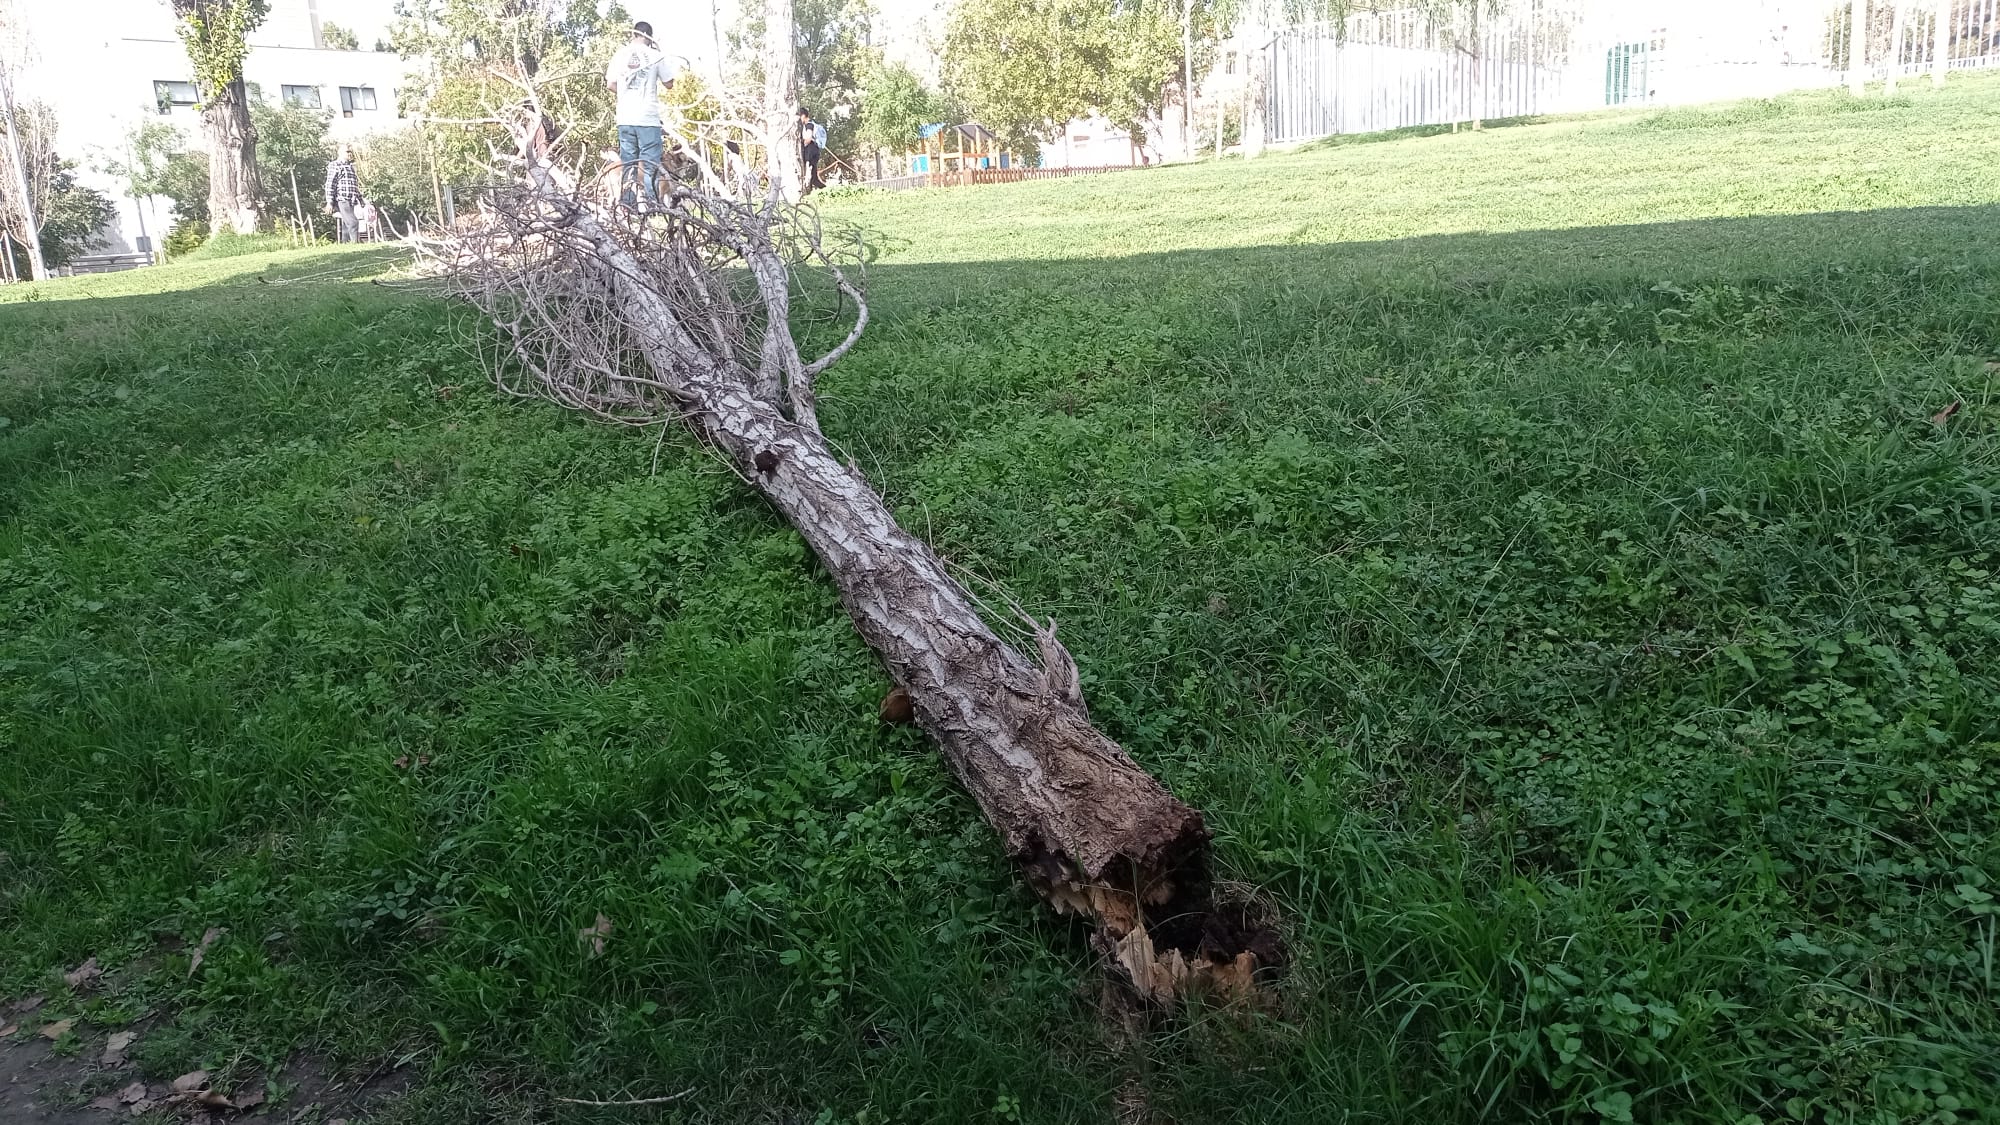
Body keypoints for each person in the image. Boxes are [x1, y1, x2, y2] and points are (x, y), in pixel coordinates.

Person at [604, 21, 673, 211]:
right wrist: (660, 51)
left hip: (625, 118)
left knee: (629, 163)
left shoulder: (620, 54)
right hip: (648, 118)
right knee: (650, 164)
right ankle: (651, 207)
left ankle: (628, 205)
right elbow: (669, 83)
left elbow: (610, 84)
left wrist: (626, 95)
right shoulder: (656, 55)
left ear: (634, 35)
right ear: (649, 37)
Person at [324, 144, 363, 242]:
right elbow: (330, 184)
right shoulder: (335, 165)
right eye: (347, 152)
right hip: (342, 199)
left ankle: (345, 244)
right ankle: (355, 245)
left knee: (346, 224)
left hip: (352, 200)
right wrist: (329, 202)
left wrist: (360, 199)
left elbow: (354, 185)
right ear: (340, 153)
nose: (350, 154)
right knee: (353, 222)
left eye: (350, 152)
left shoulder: (350, 167)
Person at [798, 106, 826, 191]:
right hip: (815, 151)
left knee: (808, 174)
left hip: (810, 151)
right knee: (814, 178)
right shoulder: (811, 124)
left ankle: (809, 192)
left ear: (803, 116)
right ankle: (824, 191)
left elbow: (808, 139)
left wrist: (801, 143)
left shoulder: (809, 125)